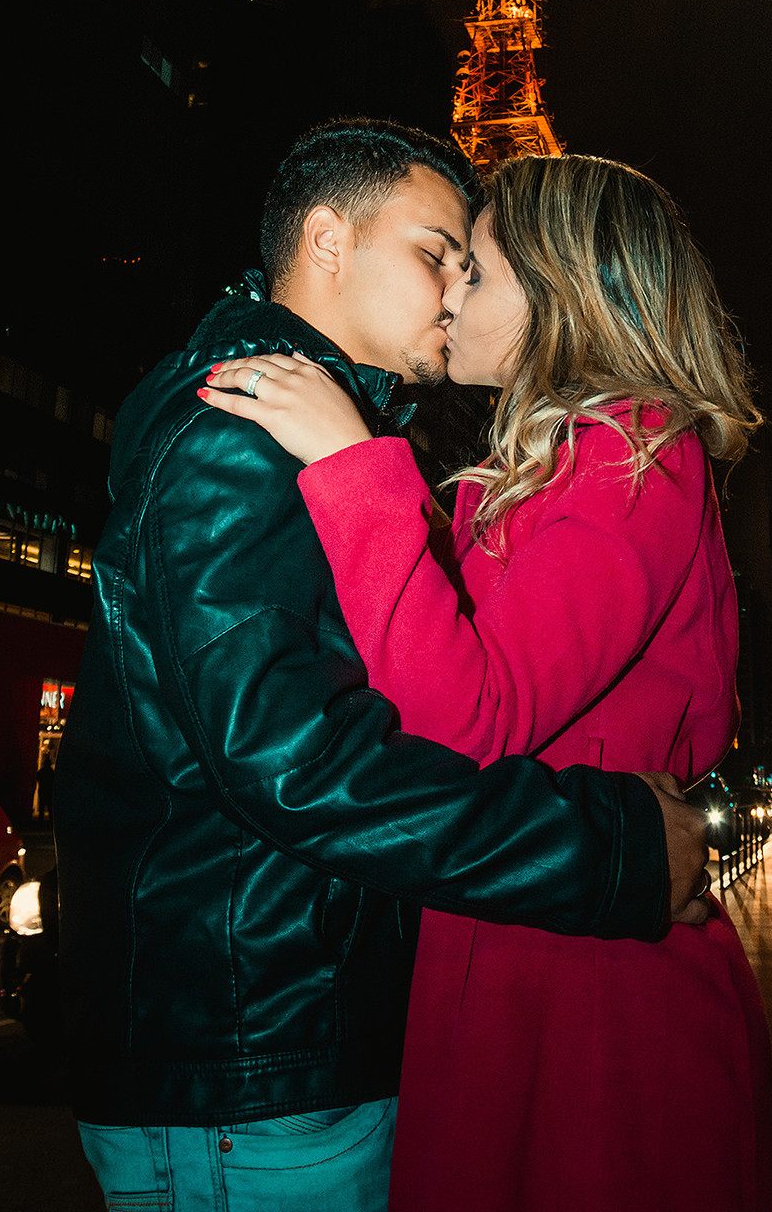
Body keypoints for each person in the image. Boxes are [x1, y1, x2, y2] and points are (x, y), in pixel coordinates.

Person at [55, 120, 711, 1212]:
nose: (452, 291)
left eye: (469, 266)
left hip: (285, 1035)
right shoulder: (242, 427)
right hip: (252, 1059)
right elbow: (298, 764)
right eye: (437, 254)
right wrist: (613, 853)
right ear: (328, 240)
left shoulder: (317, 425)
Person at [202, 150, 772, 1212]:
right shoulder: (546, 471)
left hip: (589, 995)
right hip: (529, 936)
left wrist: (348, 462)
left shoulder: (632, 449)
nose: (446, 294)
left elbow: (467, 716)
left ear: (559, 291)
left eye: (470, 268)